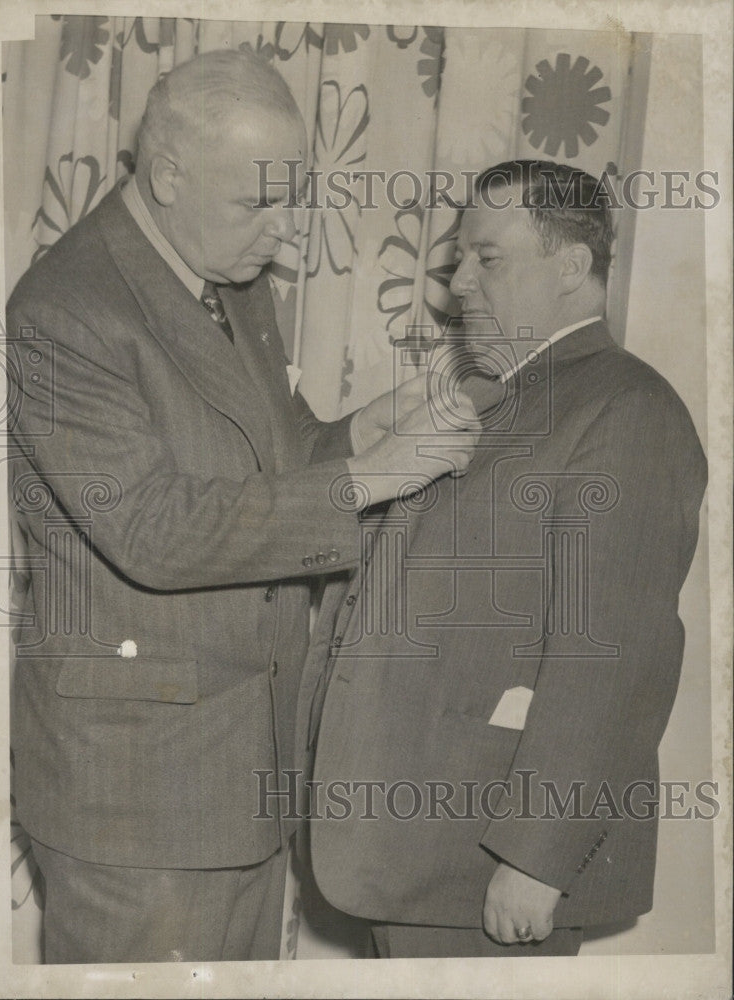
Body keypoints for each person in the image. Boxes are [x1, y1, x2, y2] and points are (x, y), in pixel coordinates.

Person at [6, 49, 482, 964]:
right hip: (134, 797)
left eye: (290, 198)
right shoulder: (65, 311)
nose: (282, 231)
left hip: (243, 775)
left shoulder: (231, 279)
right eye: (256, 203)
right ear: (168, 174)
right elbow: (153, 528)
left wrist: (359, 435)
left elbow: (275, 458)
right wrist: (369, 481)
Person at [306, 159, 708, 958]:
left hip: (485, 864)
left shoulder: (628, 408)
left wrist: (536, 858)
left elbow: (614, 661)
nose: (456, 283)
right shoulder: (496, 397)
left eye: (486, 258)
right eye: (461, 258)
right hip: (414, 855)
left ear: (571, 266)